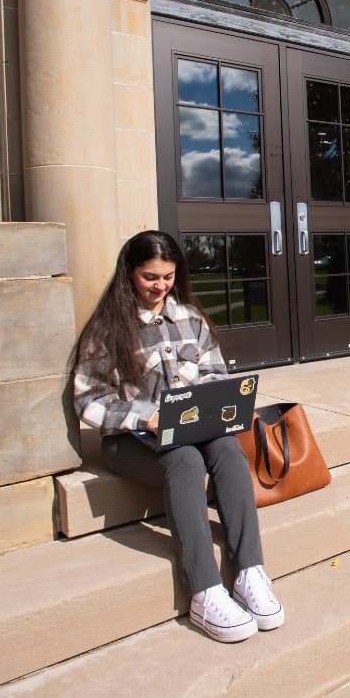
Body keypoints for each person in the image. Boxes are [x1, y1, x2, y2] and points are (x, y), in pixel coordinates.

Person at [71, 230, 284, 642]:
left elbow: (215, 373)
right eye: (150, 277)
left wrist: (214, 403)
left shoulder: (190, 318)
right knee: (185, 459)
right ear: (129, 273)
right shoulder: (106, 328)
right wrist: (145, 417)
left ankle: (249, 572)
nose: (160, 286)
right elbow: (89, 400)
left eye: (168, 276)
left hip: (190, 426)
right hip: (131, 439)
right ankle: (203, 590)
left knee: (225, 446)